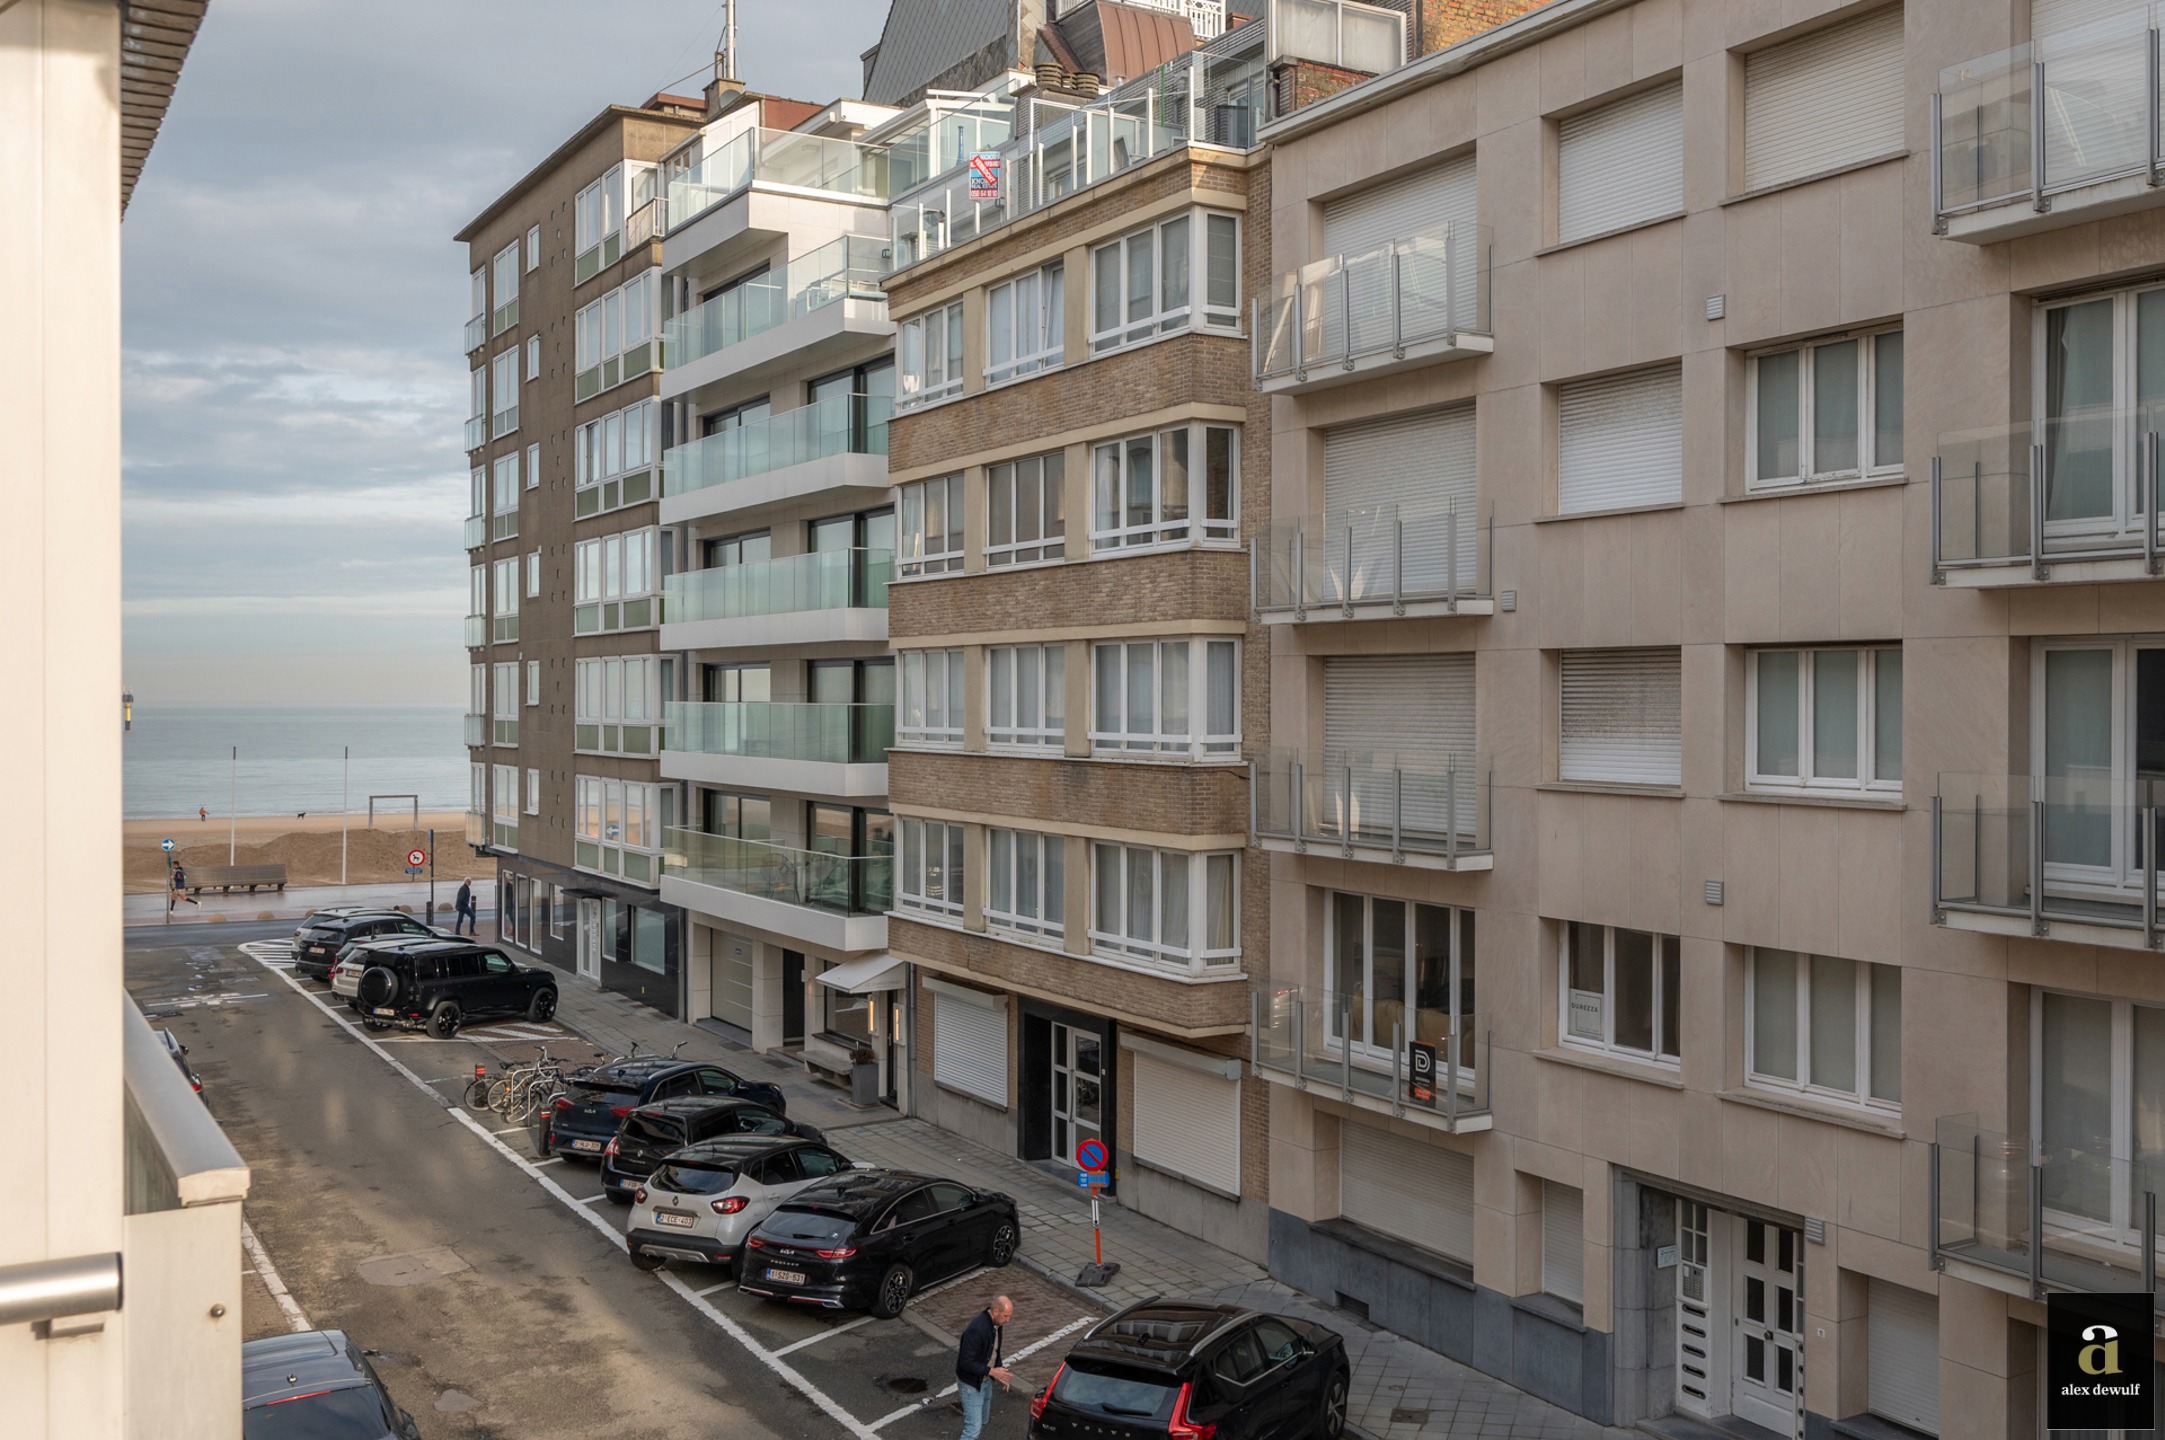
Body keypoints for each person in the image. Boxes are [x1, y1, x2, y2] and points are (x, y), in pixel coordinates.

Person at [955, 1294, 1013, 1440]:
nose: (1008, 1320)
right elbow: (965, 1362)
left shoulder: (997, 1324)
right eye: (1006, 1316)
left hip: (985, 1380)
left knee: (982, 1421)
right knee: (972, 1429)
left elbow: (995, 1350)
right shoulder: (976, 1330)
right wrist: (992, 1371)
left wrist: (1001, 1372)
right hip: (972, 1384)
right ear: (995, 1312)